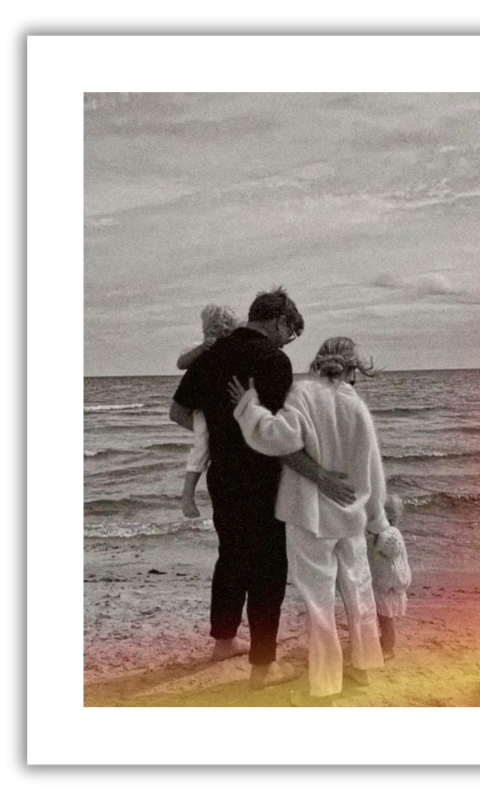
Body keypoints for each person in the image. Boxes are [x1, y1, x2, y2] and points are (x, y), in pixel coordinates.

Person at [169, 288, 357, 689]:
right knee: (268, 568)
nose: (288, 341)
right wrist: (320, 472)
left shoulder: (212, 354)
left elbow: (178, 411)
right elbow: (277, 435)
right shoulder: (274, 360)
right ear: (279, 320)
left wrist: (221, 435)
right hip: (263, 477)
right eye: (290, 332)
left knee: (232, 556)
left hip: (223, 476)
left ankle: (223, 641)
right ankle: (263, 665)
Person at [229, 336, 390, 707]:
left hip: (310, 515)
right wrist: (377, 520)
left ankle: (325, 683)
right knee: (358, 589)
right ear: (353, 370)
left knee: (319, 601)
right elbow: (373, 470)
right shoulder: (358, 408)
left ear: (317, 363)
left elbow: (275, 438)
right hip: (350, 516)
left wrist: (248, 405)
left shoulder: (303, 394)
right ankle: (363, 667)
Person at [176, 304, 239, 518]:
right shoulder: (198, 348)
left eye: (221, 333)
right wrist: (202, 348)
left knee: (208, 440)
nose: (214, 337)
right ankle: (187, 496)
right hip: (201, 408)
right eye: (209, 332)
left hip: (215, 409)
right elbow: (181, 363)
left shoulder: (231, 349)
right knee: (202, 442)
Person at [369, 493, 410, 661]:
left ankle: (389, 647)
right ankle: (386, 641)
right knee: (383, 616)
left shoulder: (391, 534)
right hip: (384, 582)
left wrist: (376, 535)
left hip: (389, 585)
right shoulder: (383, 532)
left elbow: (390, 548)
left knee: (386, 618)